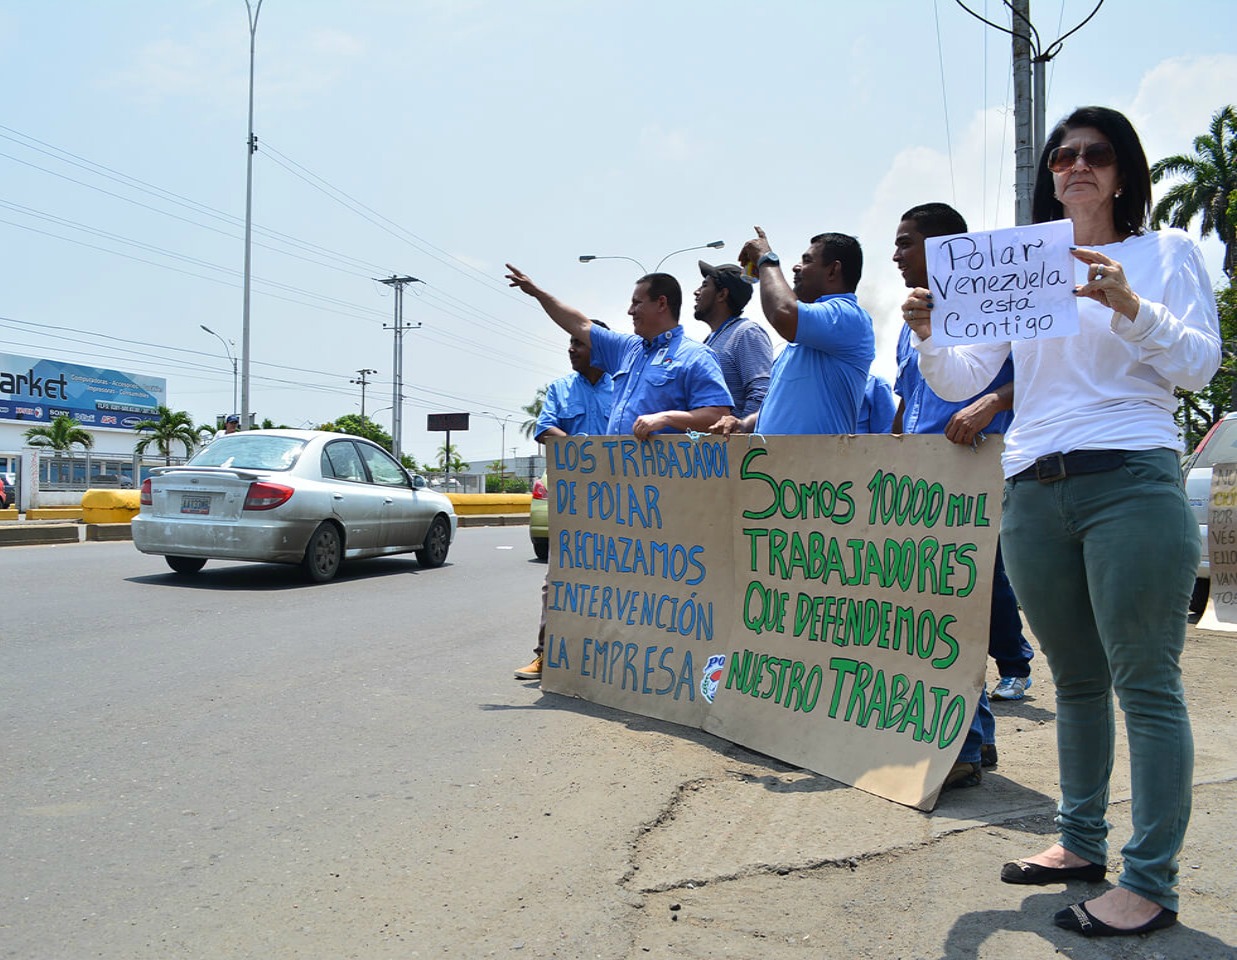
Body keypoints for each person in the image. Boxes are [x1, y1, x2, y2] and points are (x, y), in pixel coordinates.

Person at [905, 106, 1219, 937]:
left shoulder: (1165, 253)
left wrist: (1128, 306)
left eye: (1095, 154)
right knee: (1076, 682)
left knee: (1145, 684)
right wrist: (932, 337)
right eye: (1061, 157)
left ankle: (1148, 882)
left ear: (1124, 172)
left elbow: (1196, 365)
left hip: (1129, 477)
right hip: (1033, 487)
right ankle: (1079, 843)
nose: (1075, 166)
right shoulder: (1026, 263)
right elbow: (961, 375)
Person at [891, 202, 1036, 791]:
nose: (896, 255)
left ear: (945, 246)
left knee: (954, 610)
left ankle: (965, 745)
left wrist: (991, 402)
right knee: (941, 609)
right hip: (924, 477)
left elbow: (1039, 370)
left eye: (906, 242)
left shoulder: (991, 303)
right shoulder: (912, 318)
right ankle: (978, 735)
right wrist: (894, 450)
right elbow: (910, 393)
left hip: (973, 476)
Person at [505, 266, 732, 440]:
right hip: (619, 482)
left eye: (637, 303)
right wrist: (537, 293)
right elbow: (579, 325)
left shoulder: (696, 356)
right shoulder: (626, 349)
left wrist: (665, 418)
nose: (630, 311)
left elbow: (718, 416)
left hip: (666, 486)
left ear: (661, 303)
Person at [515, 324, 614, 681]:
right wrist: (581, 446)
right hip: (573, 501)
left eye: (579, 344)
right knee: (558, 580)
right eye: (570, 343)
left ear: (601, 349)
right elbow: (544, 428)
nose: (571, 350)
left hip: (619, 502)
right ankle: (546, 656)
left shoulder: (624, 387)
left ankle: (608, 661)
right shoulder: (560, 389)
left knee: (618, 582)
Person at [709, 228, 874, 437]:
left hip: (820, 466)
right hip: (785, 466)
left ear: (833, 270)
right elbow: (778, 410)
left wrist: (766, 259)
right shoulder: (801, 342)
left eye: (807, 261)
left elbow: (783, 312)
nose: (796, 267)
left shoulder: (847, 316)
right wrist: (743, 424)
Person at [693, 261, 773, 419]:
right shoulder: (711, 339)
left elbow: (761, 392)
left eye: (704, 285)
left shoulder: (746, 333)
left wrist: (740, 433)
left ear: (722, 294)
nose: (696, 292)